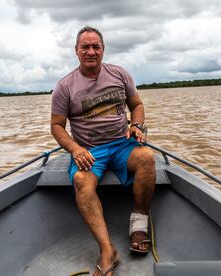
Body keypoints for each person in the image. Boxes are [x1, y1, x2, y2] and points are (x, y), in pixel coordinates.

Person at [50, 26, 155, 276]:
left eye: (96, 46)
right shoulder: (65, 86)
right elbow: (56, 126)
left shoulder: (119, 74)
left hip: (121, 144)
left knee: (147, 158)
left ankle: (139, 224)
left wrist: (136, 125)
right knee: (81, 181)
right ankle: (108, 250)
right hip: (89, 149)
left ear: (103, 50)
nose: (91, 51)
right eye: (85, 46)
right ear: (76, 51)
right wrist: (75, 149)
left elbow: (137, 104)